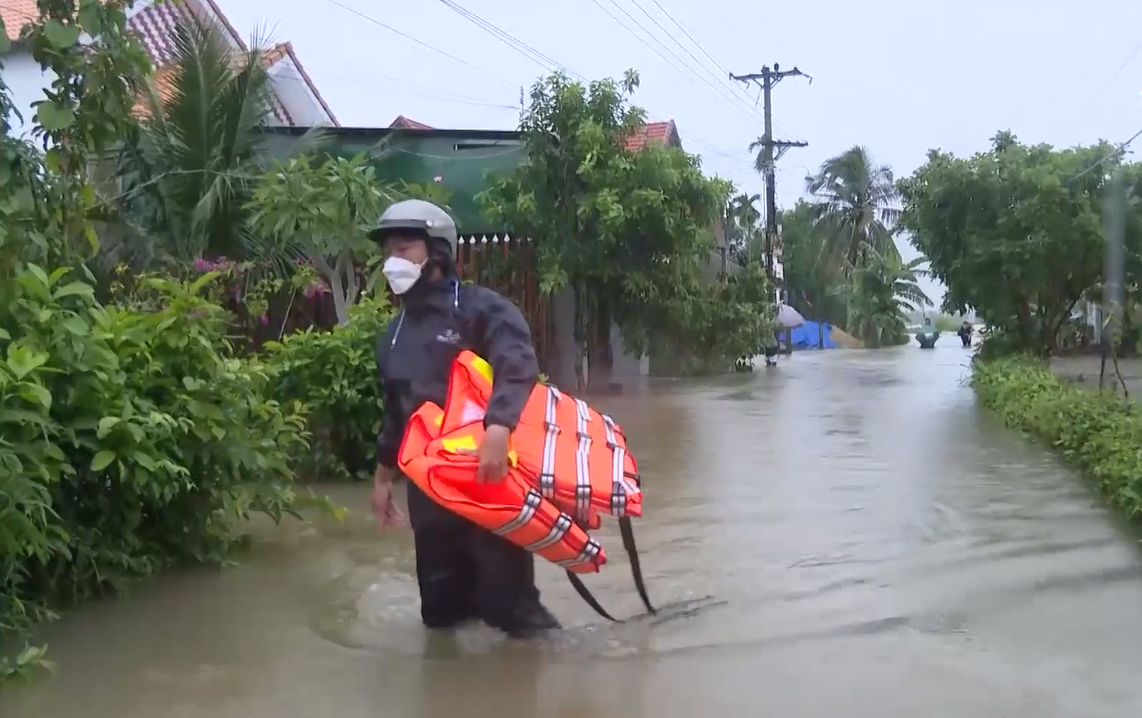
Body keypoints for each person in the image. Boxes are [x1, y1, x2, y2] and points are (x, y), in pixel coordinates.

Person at [368, 199, 561, 639]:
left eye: (403, 248)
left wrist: (499, 427)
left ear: (437, 250)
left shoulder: (480, 309)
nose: (391, 262)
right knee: (438, 615)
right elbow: (396, 414)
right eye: (387, 253)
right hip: (430, 496)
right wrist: (382, 480)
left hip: (489, 480)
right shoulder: (393, 334)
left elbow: (517, 364)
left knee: (511, 611)